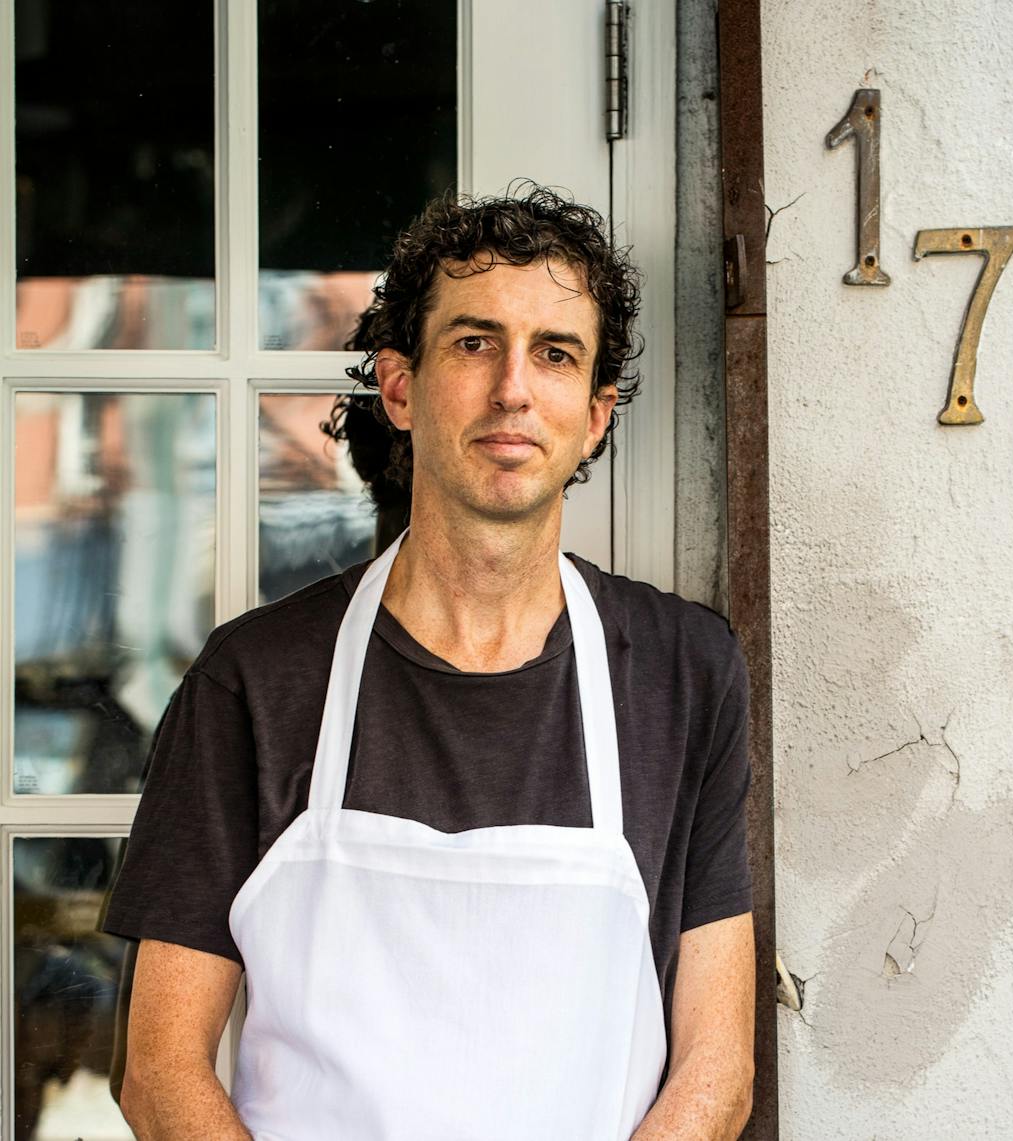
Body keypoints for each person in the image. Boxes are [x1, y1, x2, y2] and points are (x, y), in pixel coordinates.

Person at [99, 184, 756, 1139]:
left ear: (596, 413)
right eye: (474, 342)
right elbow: (159, 1071)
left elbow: (716, 1067)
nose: (514, 389)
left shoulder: (684, 674)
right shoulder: (255, 680)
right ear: (401, 388)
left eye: (556, 354)